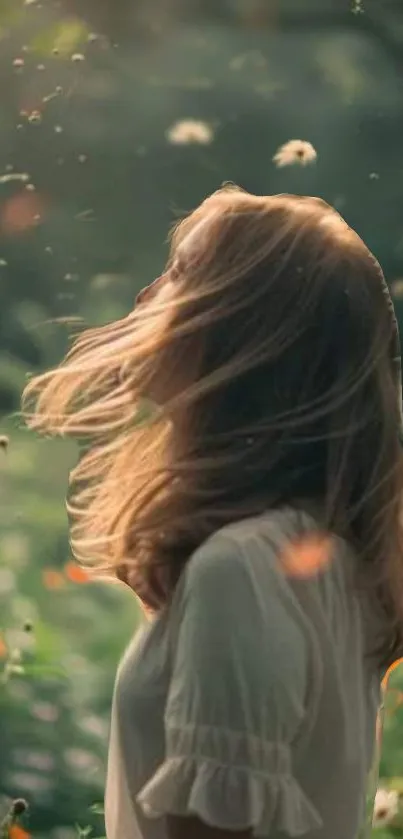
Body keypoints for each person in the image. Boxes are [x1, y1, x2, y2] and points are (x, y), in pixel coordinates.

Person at [21, 185, 403, 839]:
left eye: (179, 273)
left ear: (237, 325)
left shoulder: (243, 569)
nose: (144, 298)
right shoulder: (324, 555)